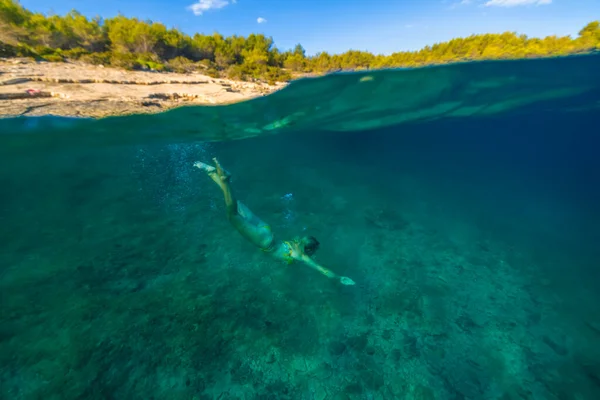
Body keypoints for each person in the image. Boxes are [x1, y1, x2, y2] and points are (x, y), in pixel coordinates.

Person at [194, 158, 356, 286]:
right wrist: (339, 278)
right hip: (265, 241)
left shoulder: (296, 243)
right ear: (309, 250)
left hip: (266, 229)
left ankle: (211, 173)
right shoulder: (302, 256)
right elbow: (323, 270)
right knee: (232, 214)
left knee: (239, 206)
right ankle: (225, 179)